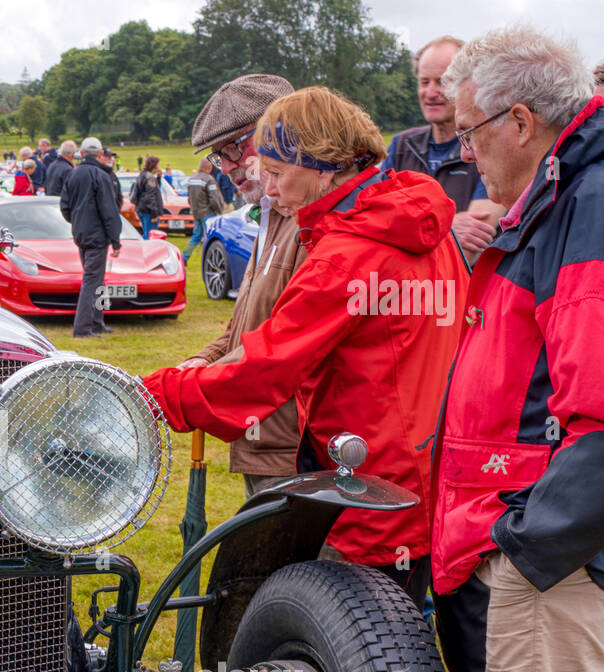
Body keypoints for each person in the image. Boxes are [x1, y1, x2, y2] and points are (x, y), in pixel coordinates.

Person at [144, 86, 468, 610]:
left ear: (319, 165)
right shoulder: (427, 232)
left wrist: (156, 394)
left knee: (359, 664)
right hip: (430, 483)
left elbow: (265, 370)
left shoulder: (347, 254)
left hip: (365, 494)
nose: (268, 190)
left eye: (275, 172)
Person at [432, 27, 604, 672]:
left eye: (470, 131)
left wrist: (527, 540)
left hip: (560, 560)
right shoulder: (567, 192)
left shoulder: (587, 201)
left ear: (522, 120)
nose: (464, 149)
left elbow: (600, 406)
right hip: (565, 544)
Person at [178, 73, 303, 498]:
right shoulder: (269, 218)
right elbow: (240, 332)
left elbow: (285, 350)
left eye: (236, 148)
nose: (227, 166)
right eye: (218, 155)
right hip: (265, 441)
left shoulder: (311, 224)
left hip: (298, 452)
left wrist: (184, 393)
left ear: (283, 132)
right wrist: (197, 362)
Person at [380, 36, 505, 264]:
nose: (430, 92)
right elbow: (373, 223)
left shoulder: (486, 147)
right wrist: (447, 227)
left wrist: (401, 229)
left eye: (442, 82)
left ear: (468, 85)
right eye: (424, 81)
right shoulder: (401, 146)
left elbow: (471, 246)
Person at [59, 136, 122, 338]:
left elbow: (65, 207)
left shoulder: (73, 175)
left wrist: (77, 222)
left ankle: (97, 321)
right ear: (100, 154)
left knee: (97, 280)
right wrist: (115, 239)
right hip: (98, 235)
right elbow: (109, 210)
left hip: (81, 233)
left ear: (82, 154)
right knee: (92, 281)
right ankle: (83, 327)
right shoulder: (101, 176)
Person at [183, 157, 226, 262]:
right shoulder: (209, 179)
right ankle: (210, 259)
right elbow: (214, 199)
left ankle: (184, 257)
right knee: (210, 238)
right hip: (208, 213)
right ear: (209, 167)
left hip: (196, 213)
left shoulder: (192, 179)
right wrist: (220, 211)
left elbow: (189, 198)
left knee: (196, 236)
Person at [133, 155, 168, 238]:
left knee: (146, 233)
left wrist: (158, 178)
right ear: (154, 165)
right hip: (149, 211)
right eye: (158, 164)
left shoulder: (142, 175)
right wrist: (154, 214)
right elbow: (150, 196)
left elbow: (152, 190)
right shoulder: (150, 177)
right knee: (150, 235)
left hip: (141, 208)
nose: (159, 167)